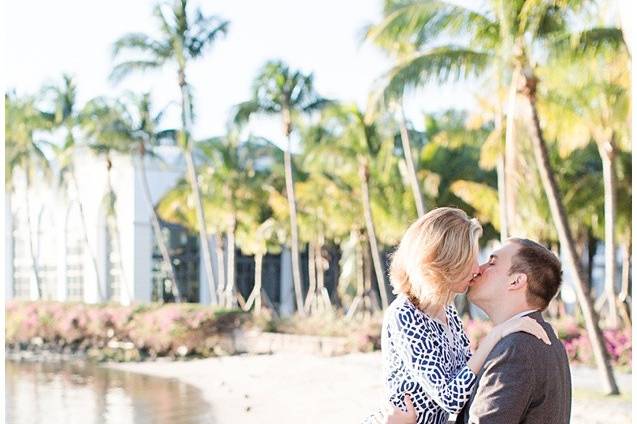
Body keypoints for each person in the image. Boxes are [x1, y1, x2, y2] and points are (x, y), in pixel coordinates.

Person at [364, 208, 550, 424]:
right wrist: (498, 333)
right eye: (469, 259)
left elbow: (468, 379)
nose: (476, 269)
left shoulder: (447, 312)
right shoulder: (404, 315)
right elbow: (450, 397)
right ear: (443, 263)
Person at [389, 238, 571, 424]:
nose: (477, 269)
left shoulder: (516, 349)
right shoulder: (545, 338)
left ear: (516, 280)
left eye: (492, 262)